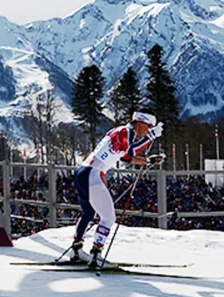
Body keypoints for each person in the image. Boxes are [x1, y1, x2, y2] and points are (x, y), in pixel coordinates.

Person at [69, 111, 164, 268]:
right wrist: (150, 138)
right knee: (108, 217)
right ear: (141, 123)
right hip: (93, 174)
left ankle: (77, 250)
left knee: (88, 214)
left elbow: (126, 158)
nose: (147, 131)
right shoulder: (125, 132)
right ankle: (96, 255)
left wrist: (147, 161)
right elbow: (131, 152)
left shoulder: (120, 132)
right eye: (148, 128)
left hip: (83, 173)